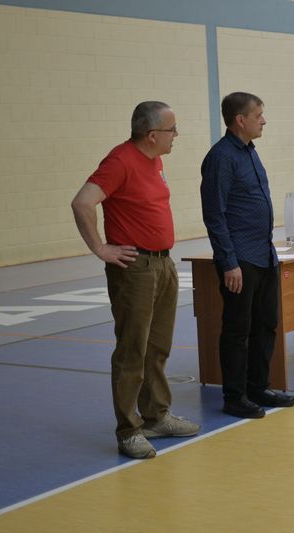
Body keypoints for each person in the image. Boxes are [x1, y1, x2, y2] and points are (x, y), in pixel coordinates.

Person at [71, 101, 199, 459]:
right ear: (152, 134)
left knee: (157, 347)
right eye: (172, 130)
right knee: (132, 350)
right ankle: (128, 430)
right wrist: (100, 248)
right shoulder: (120, 161)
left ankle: (156, 416)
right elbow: (82, 203)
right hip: (135, 268)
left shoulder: (155, 161)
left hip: (162, 262)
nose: (176, 135)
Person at [200, 92, 294, 418]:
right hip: (240, 258)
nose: (264, 120)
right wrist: (228, 262)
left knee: (265, 324)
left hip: (263, 254)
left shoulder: (250, 152)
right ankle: (234, 396)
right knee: (237, 329)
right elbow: (215, 214)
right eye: (258, 115)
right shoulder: (221, 157)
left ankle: (258, 386)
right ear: (240, 120)